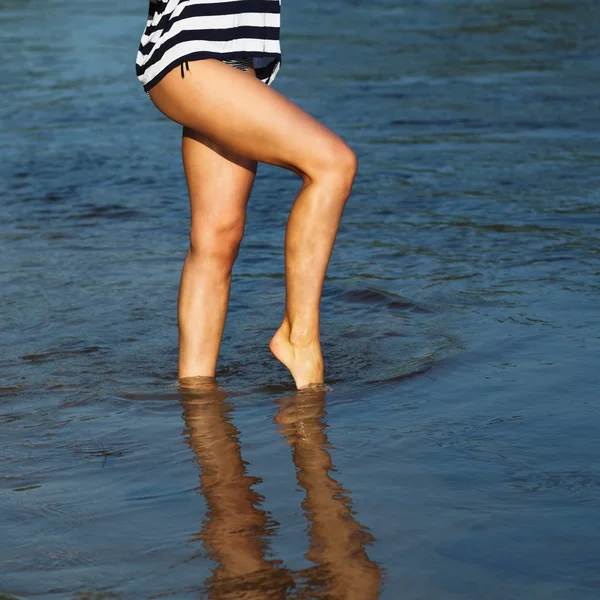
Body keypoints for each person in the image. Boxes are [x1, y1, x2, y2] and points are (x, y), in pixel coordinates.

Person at [136, 0, 358, 389]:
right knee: (332, 164)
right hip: (191, 55)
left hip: (233, 62)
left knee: (218, 236)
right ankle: (299, 337)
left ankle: (196, 394)